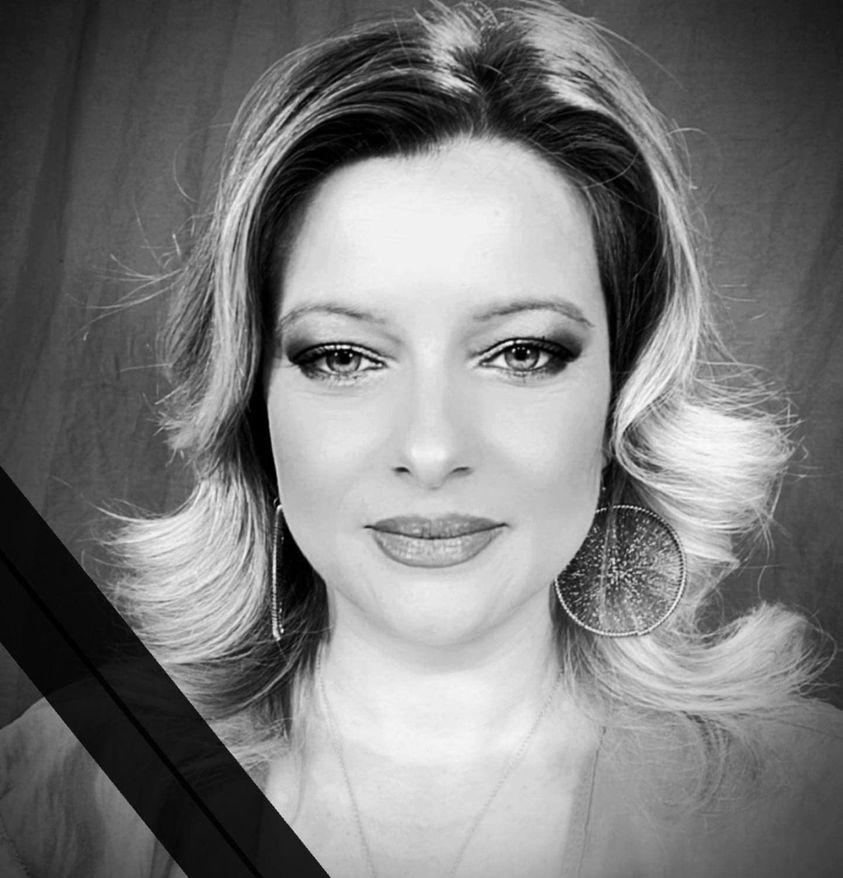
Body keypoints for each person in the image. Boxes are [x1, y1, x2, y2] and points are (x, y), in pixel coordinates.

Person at [2, 1, 842, 875]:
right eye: (343, 357)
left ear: (623, 396)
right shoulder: (58, 799)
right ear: (252, 406)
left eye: (521, 353)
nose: (432, 450)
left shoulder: (807, 804)